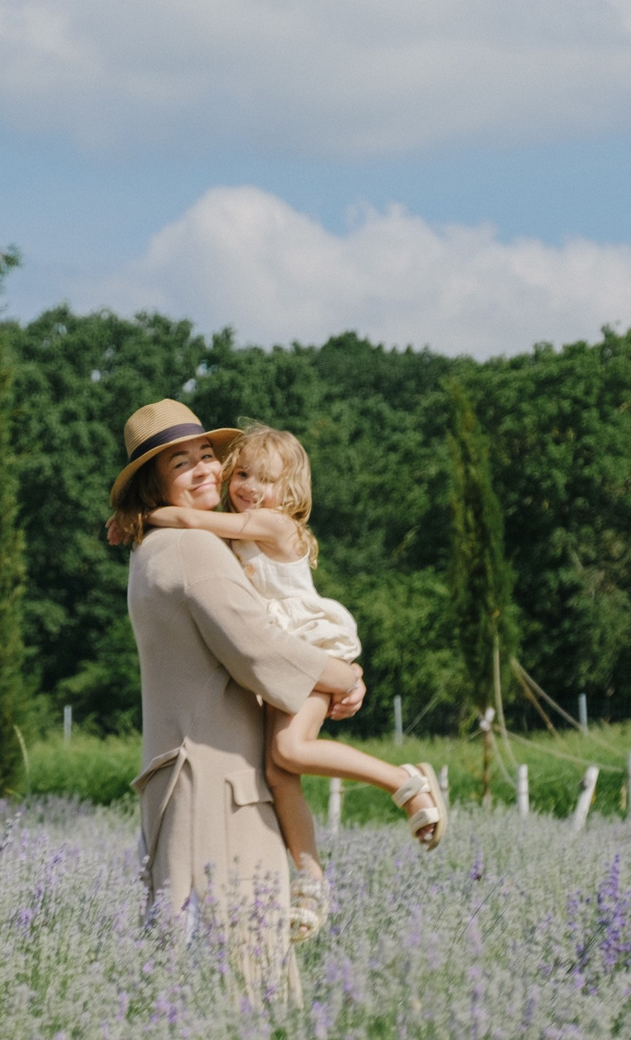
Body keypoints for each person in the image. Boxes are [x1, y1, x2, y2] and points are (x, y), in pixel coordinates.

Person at [134, 422, 444, 940]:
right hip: (291, 658)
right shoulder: (234, 530)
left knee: (291, 752)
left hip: (312, 646)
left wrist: (144, 516)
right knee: (280, 770)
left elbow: (186, 517)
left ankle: (404, 780)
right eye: (244, 473)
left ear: (292, 492)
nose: (250, 487)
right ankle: (310, 877)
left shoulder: (275, 528)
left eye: (267, 480)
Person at [106, 399, 362, 1001]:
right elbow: (262, 652)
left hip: (185, 784)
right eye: (180, 463)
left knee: (187, 971)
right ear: (157, 483)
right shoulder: (193, 551)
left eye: (206, 457)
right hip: (219, 791)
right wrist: (342, 676)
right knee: (246, 977)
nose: (204, 471)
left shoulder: (154, 549)